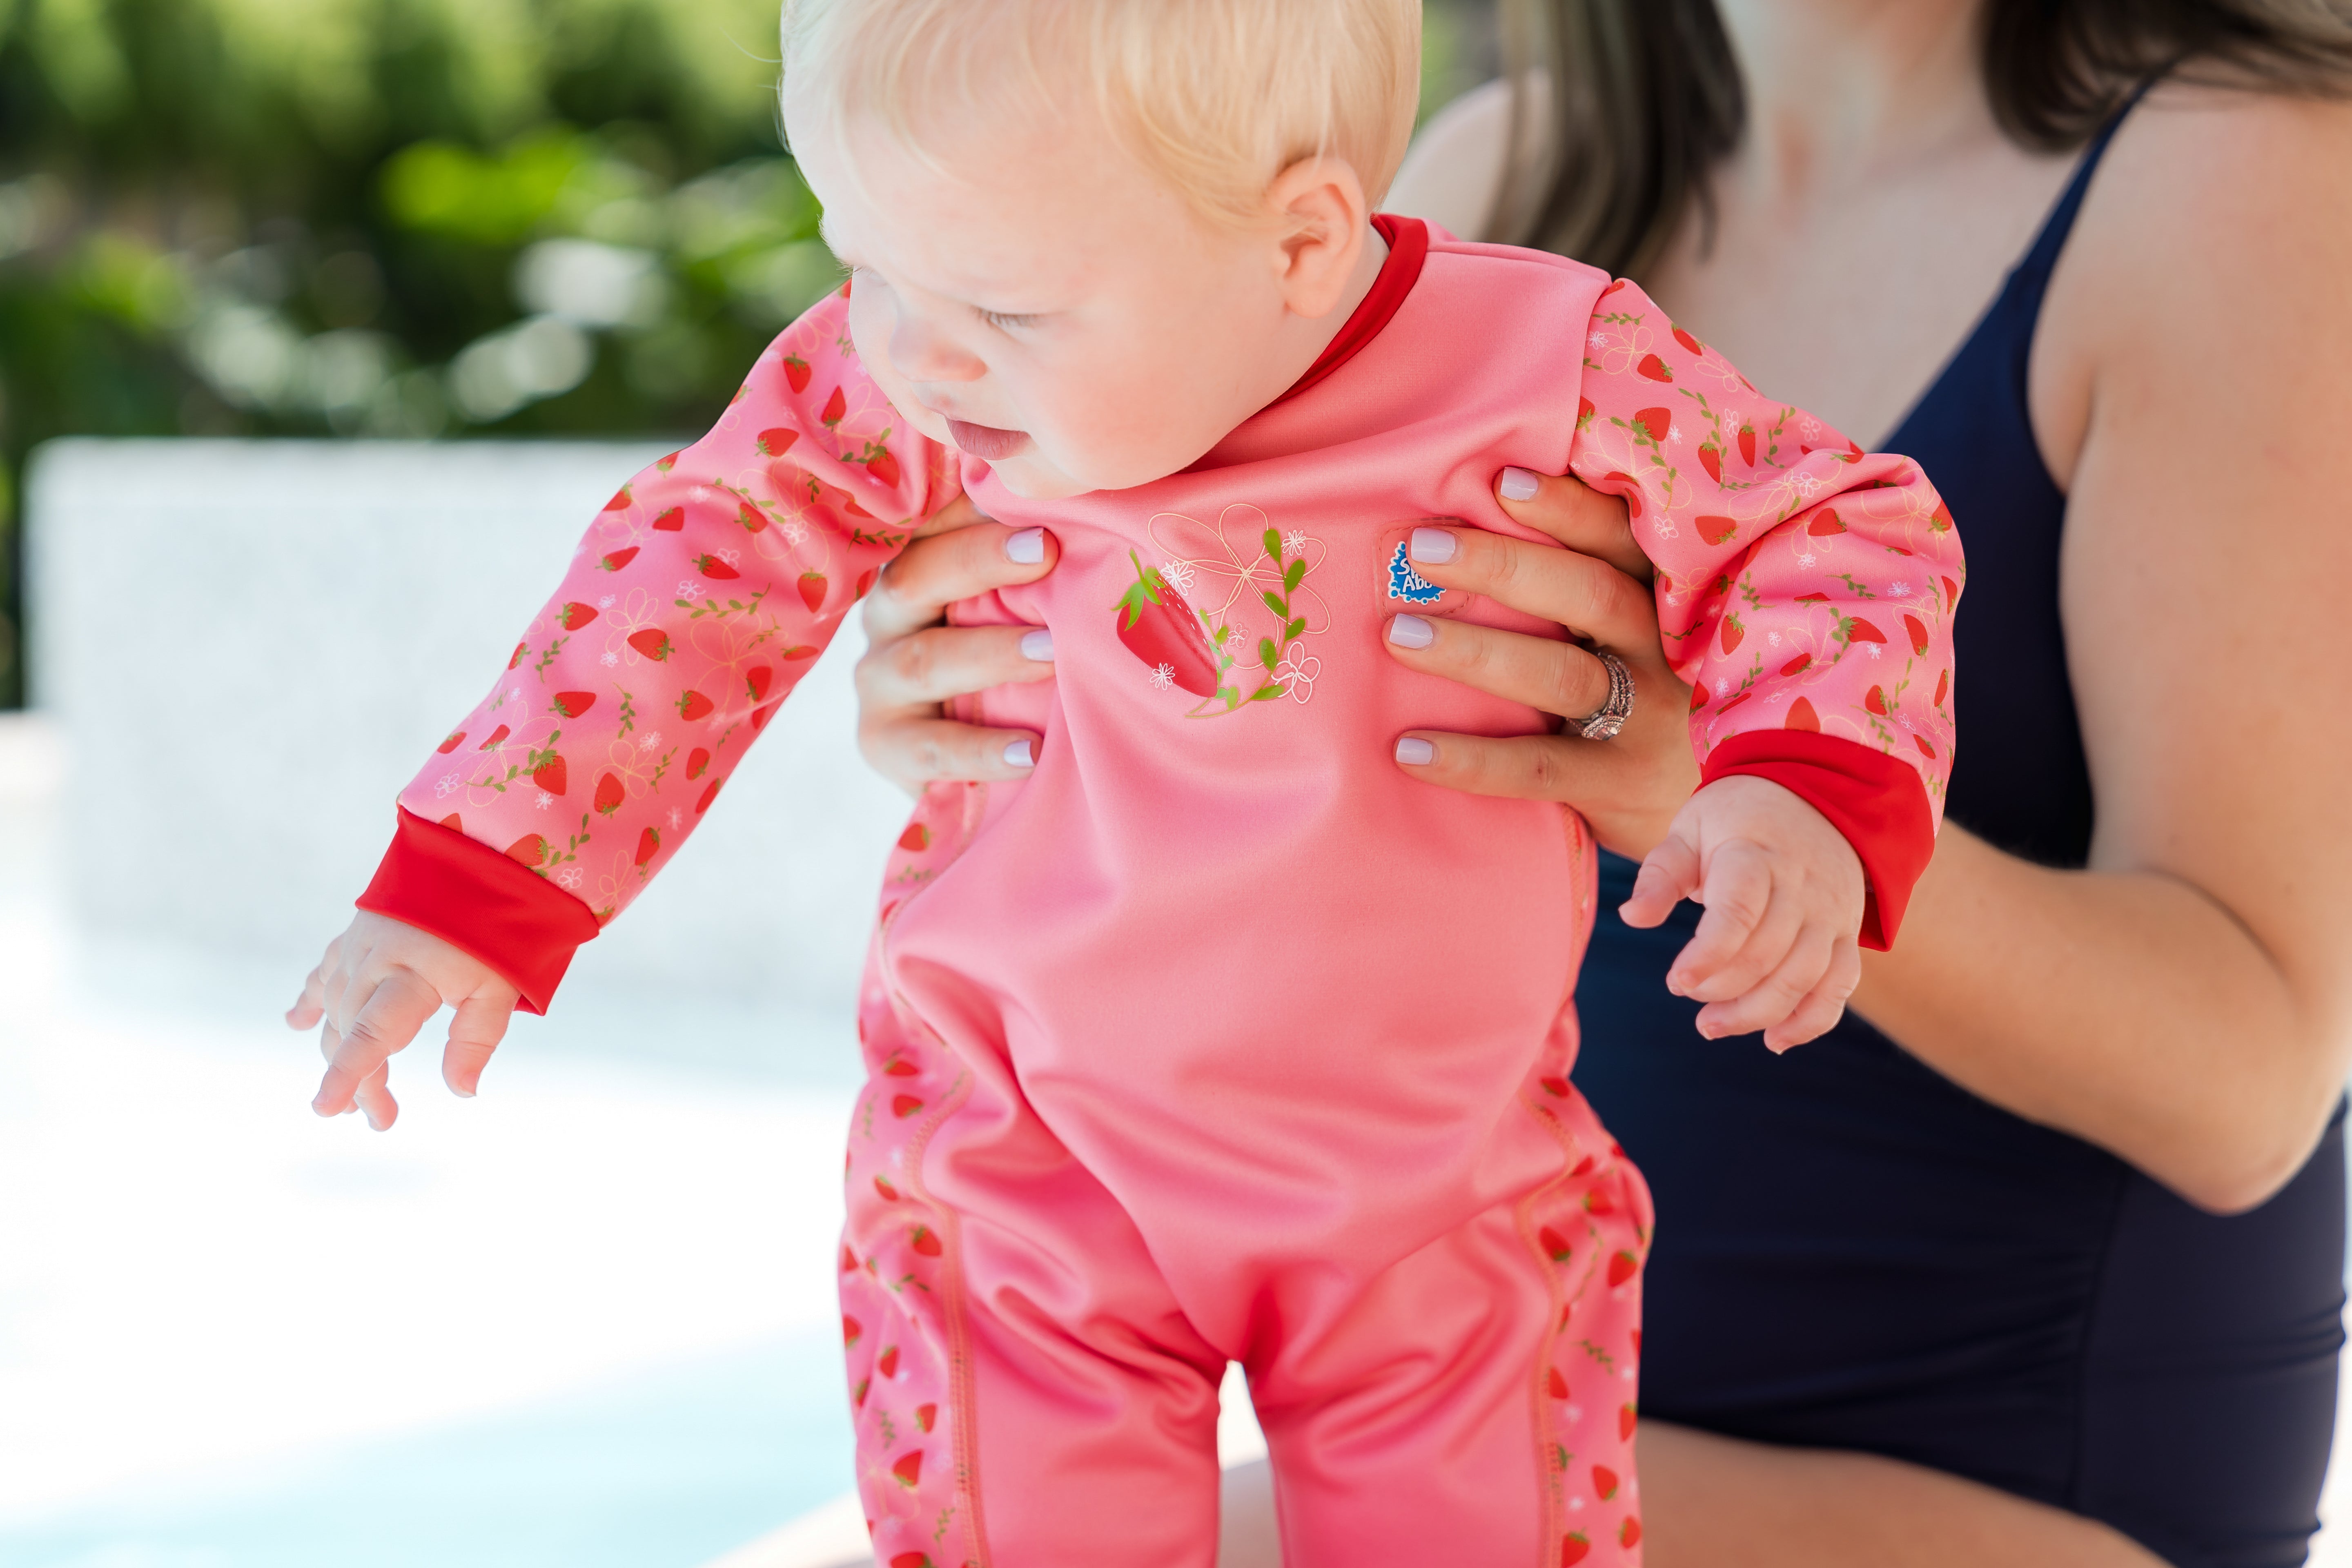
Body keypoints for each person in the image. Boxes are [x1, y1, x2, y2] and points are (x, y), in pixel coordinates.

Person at [280, 0, 1971, 1562]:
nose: (911, 359)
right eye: (857, 263)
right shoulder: (920, 367)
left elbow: (1824, 526)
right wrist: (473, 886)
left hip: (1438, 1190)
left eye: (1001, 311)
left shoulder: (1550, 360)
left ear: (1301, 244)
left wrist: (1801, 781)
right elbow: (696, 568)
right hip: (1023, 1166)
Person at [853, 2, 2352, 1565]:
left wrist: (1716, 787)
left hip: (2005, 1474)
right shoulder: (1500, 177)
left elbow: (2247, 1085)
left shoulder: (2246, 177)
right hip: (1509, 1374)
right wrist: (1003, 706)